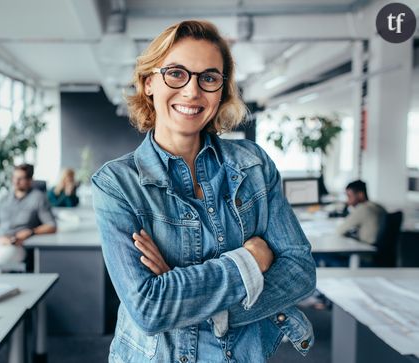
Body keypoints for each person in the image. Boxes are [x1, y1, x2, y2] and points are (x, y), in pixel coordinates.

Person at [91, 20, 316, 362]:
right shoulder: (117, 184)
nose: (192, 91)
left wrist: (196, 302)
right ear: (150, 82)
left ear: (221, 90)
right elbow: (149, 309)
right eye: (176, 74)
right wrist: (249, 261)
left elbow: (299, 271)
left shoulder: (253, 166)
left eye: (208, 78)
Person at [336, 180, 387, 245]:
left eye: (349, 196)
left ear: (360, 194)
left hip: (365, 249)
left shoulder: (363, 209)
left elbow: (339, 231)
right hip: (377, 248)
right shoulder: (378, 206)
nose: (347, 201)